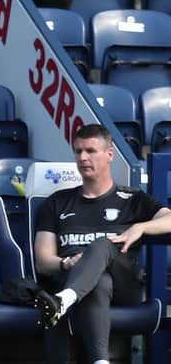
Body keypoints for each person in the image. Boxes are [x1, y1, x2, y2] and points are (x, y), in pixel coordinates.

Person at [33, 123, 171, 364]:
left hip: (123, 286)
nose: (83, 157)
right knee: (99, 281)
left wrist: (140, 227)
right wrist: (67, 263)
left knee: (102, 245)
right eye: (78, 151)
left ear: (109, 154)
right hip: (77, 279)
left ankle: (63, 300)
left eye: (90, 150)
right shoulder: (57, 202)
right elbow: (44, 262)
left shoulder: (132, 199)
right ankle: (100, 361)